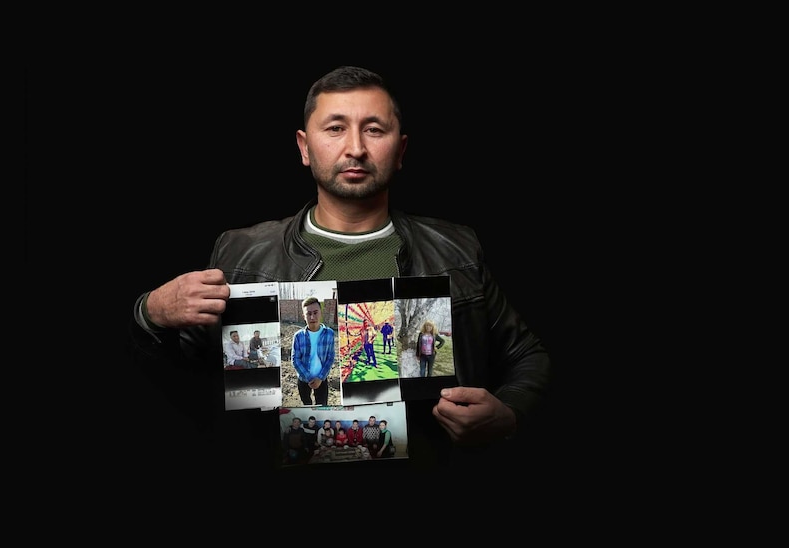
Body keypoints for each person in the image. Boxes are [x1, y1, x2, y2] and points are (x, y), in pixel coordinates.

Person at [129, 65, 551, 471]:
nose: (355, 148)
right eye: (335, 128)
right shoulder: (240, 253)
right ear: (304, 147)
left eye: (374, 129)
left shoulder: (455, 248)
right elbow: (183, 380)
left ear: (400, 149)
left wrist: (508, 413)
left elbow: (527, 354)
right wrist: (149, 313)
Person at [291, 296, 336, 406]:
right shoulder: (298, 336)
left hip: (322, 378)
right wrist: (309, 377)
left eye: (315, 312)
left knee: (322, 405)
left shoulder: (329, 334)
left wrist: (320, 378)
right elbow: (295, 359)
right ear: (304, 316)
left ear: (321, 313)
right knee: (307, 404)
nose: (312, 317)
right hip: (303, 378)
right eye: (308, 314)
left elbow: (330, 357)